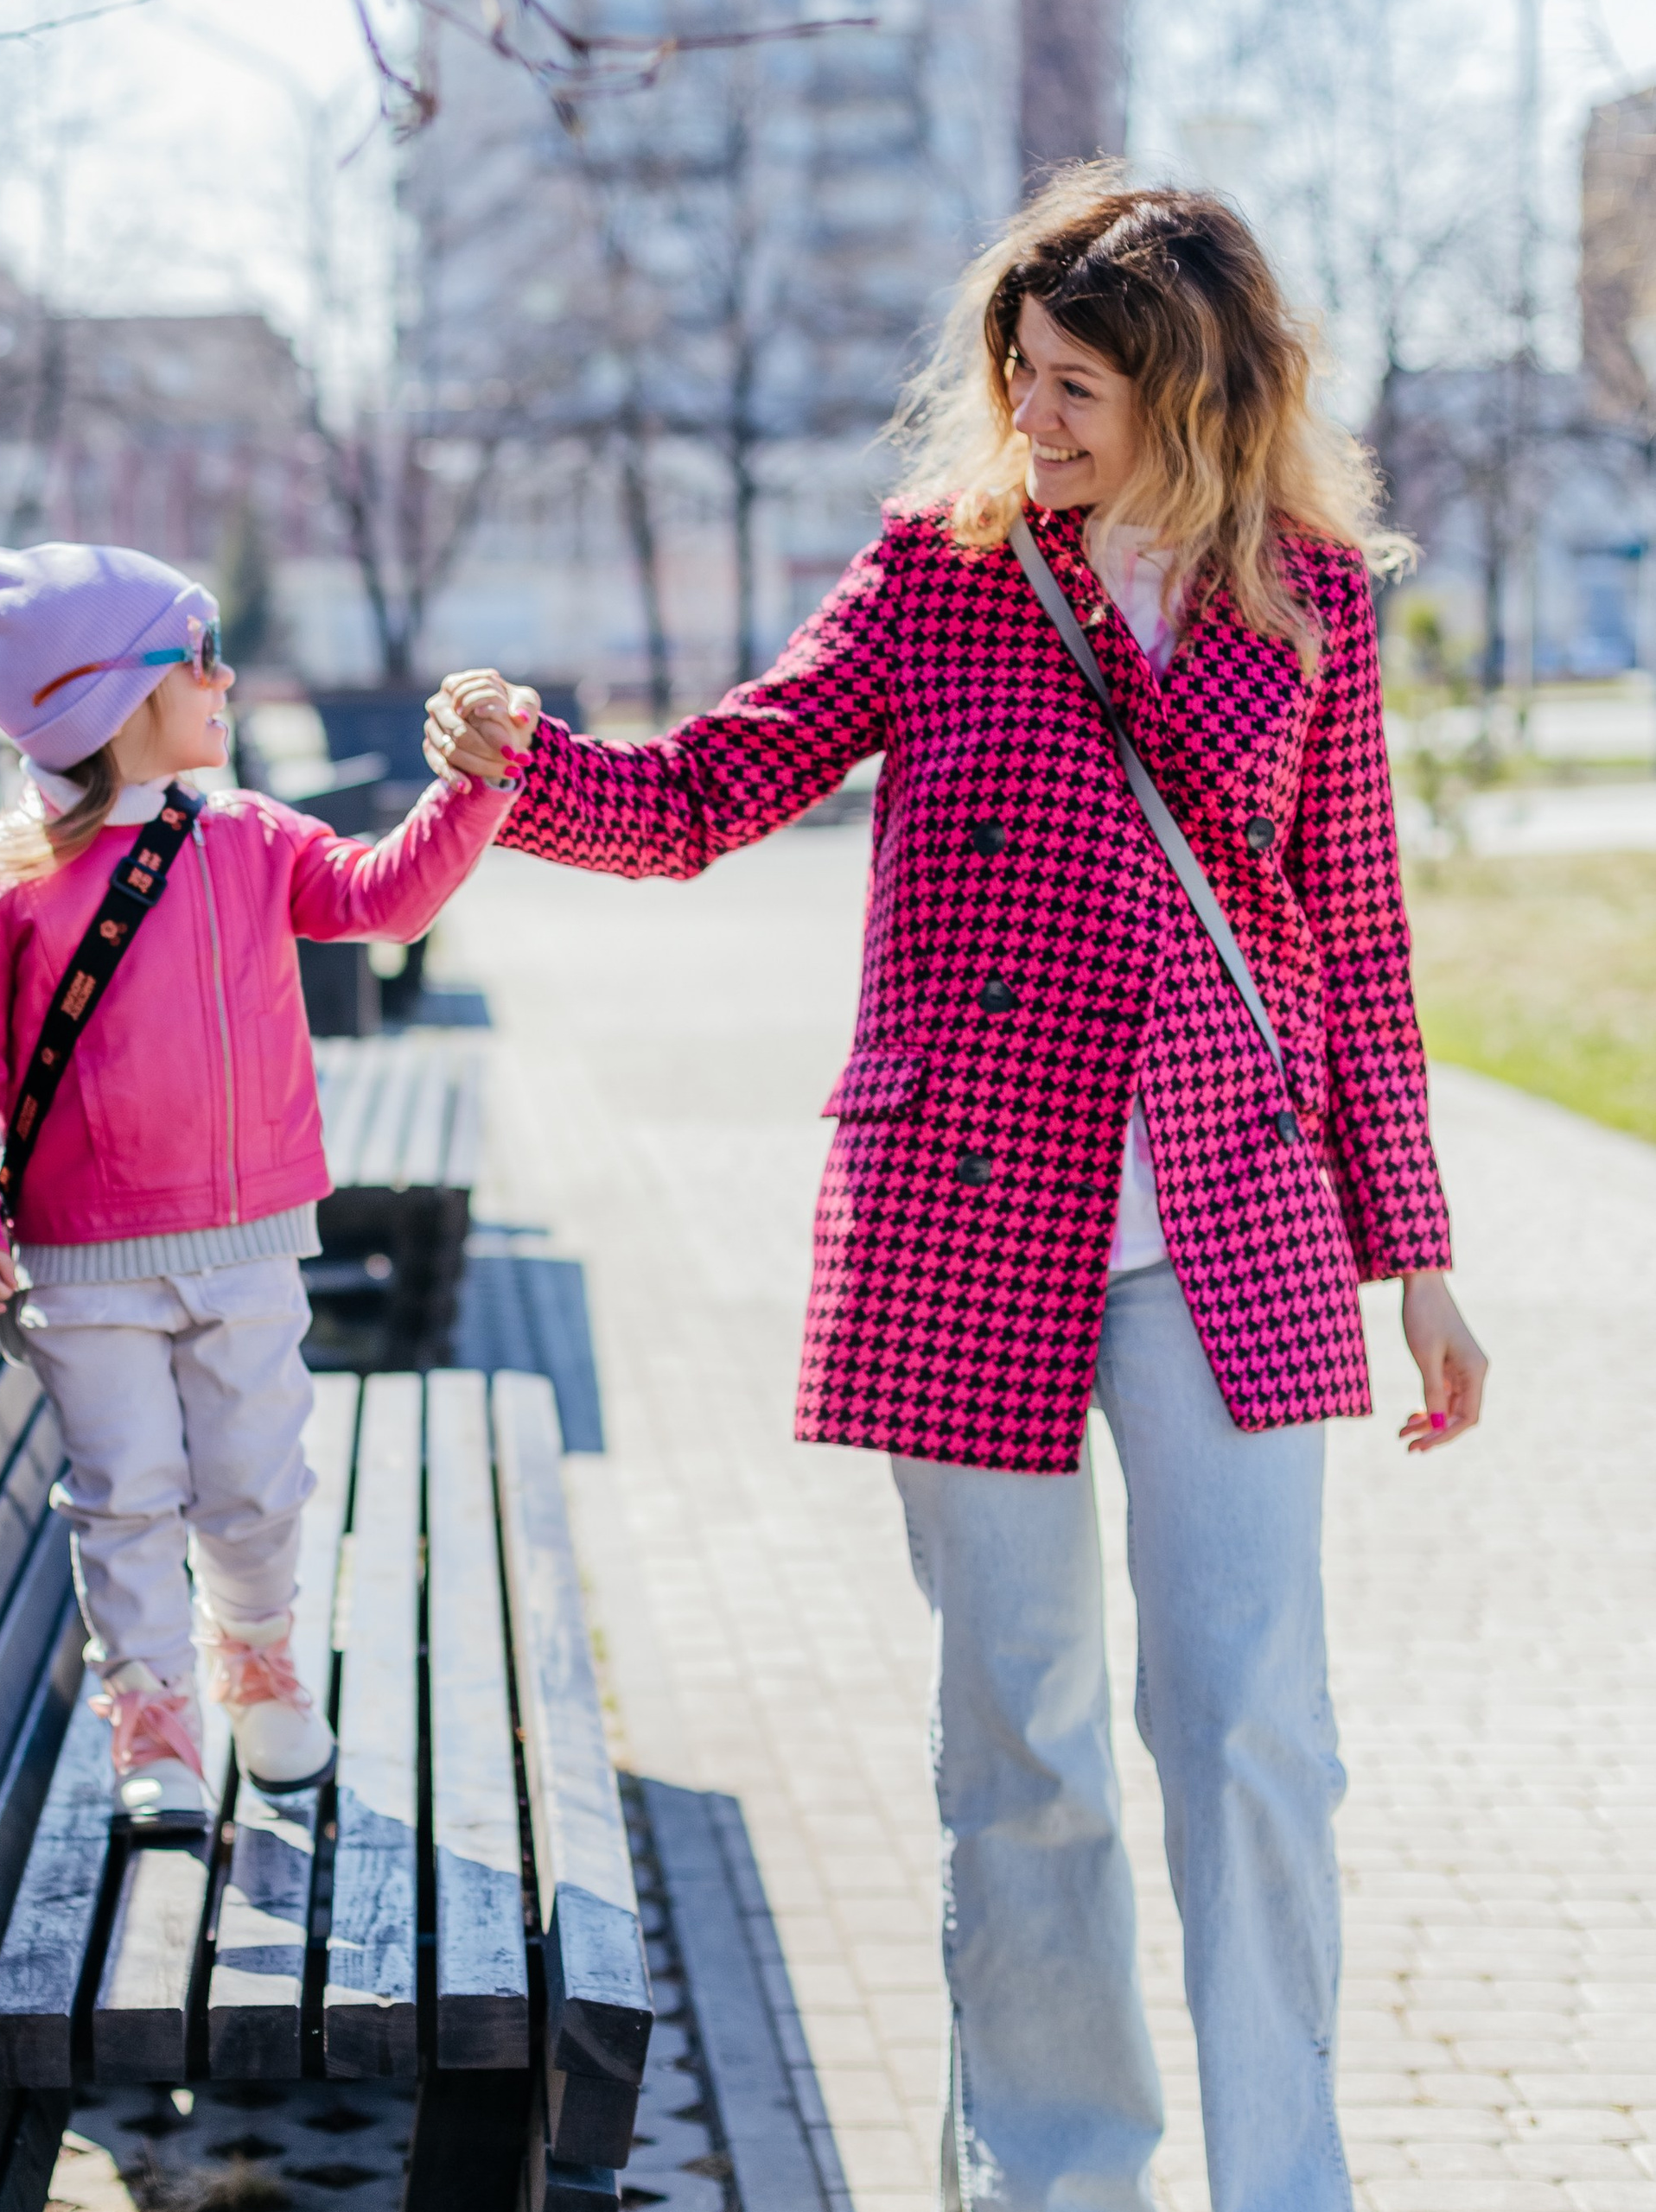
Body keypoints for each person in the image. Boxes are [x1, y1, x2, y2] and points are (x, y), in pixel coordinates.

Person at [422, 168, 1488, 2211]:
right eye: (1015, 372)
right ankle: (1054, 2180)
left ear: (1192, 391)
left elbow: (1353, 932)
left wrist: (1415, 1258)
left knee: (1254, 1734)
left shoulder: (1310, 599)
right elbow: (714, 784)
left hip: (1230, 1223)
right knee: (1020, 1742)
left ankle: (1286, 2184)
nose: (1029, 414)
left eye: (1074, 383)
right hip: (970, 1209)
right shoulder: (936, 568)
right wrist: (529, 766)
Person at [0, 543, 520, 1823]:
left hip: (248, 1242)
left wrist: (468, 789)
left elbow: (382, 899)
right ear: (114, 695)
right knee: (122, 1499)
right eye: (200, 657)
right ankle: (154, 1718)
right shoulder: (3, 875)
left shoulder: (248, 837)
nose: (225, 677)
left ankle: (258, 1660)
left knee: (254, 1484)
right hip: (82, 1263)